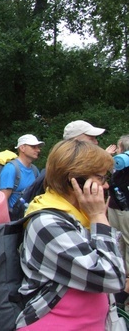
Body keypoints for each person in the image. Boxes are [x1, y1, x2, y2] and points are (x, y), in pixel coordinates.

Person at [16, 139, 125, 329]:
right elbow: (112, 277)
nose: (106, 186)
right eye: (100, 178)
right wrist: (99, 216)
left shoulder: (78, 215)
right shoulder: (47, 223)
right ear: (74, 180)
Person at [107, 134, 129, 306]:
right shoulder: (118, 163)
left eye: (120, 148)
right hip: (114, 206)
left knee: (127, 242)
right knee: (116, 240)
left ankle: (126, 280)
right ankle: (118, 275)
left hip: (125, 208)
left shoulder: (123, 162)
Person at [0, 134, 43, 220]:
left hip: (29, 217)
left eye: (38, 147)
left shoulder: (34, 170)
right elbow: (3, 200)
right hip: (14, 219)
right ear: (22, 148)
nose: (38, 150)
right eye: (33, 147)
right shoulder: (10, 168)